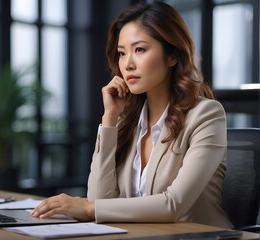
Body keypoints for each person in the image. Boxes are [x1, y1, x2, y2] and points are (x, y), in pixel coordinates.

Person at [31, 1, 233, 228]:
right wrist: (109, 118)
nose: (127, 64)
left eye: (140, 50)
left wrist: (88, 208)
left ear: (172, 57)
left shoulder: (206, 115)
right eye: (121, 53)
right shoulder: (129, 121)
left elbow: (173, 205)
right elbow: (100, 199)